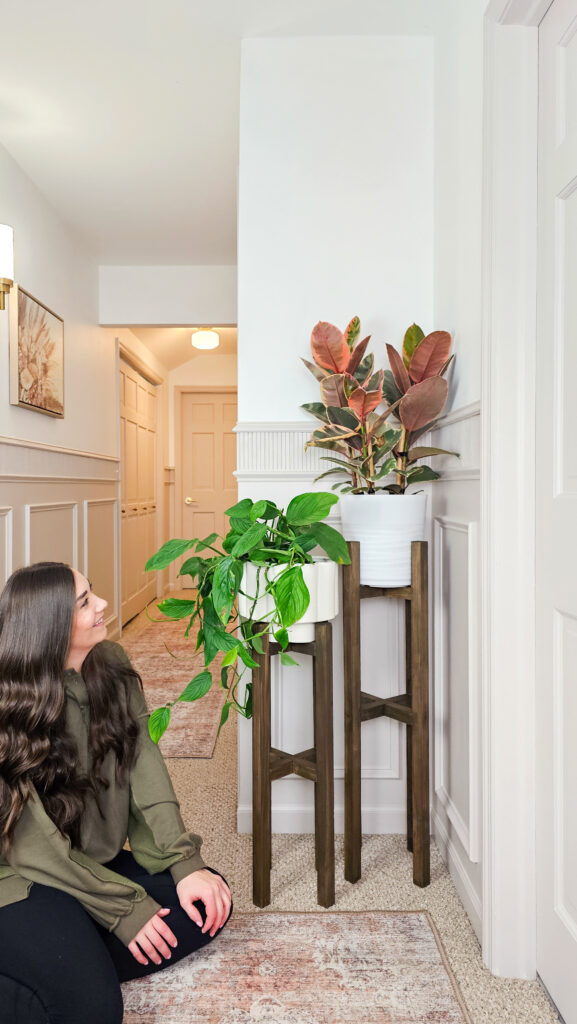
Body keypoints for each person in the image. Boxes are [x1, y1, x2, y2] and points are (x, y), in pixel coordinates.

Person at [0, 561, 232, 1024]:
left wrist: (183, 863)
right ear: (49, 629)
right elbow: (32, 846)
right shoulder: (9, 706)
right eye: (85, 602)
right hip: (18, 875)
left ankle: (65, 948)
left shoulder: (111, 666)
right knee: (94, 1009)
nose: (103, 604)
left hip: (85, 859)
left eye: (92, 592)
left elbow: (144, 766)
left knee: (207, 901)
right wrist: (122, 908)